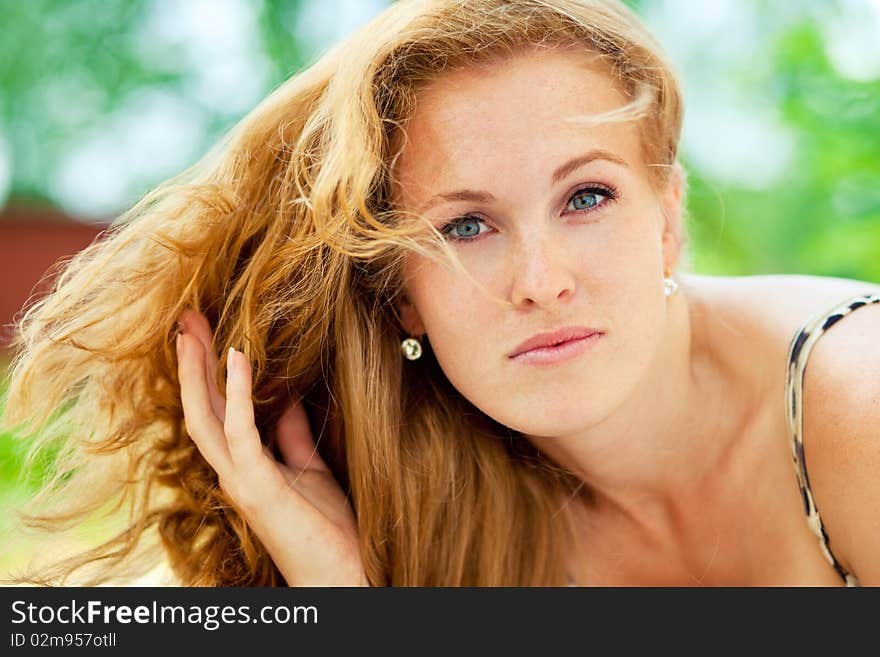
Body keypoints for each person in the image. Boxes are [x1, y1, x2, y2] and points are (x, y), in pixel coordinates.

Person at [3, 0, 878, 587]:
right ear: (403, 301)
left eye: (586, 198)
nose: (541, 283)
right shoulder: (478, 523)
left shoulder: (854, 404)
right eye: (465, 226)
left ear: (668, 218)